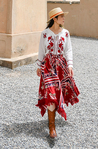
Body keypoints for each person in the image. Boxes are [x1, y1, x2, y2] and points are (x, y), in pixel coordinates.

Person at [36, 7, 80, 138]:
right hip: (48, 66)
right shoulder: (45, 34)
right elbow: (41, 50)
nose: (64, 18)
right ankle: (52, 127)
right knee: (50, 93)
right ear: (54, 19)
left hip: (61, 66)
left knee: (57, 93)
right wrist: (39, 66)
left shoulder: (66, 33)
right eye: (61, 16)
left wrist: (70, 65)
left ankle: (53, 120)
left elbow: (68, 50)